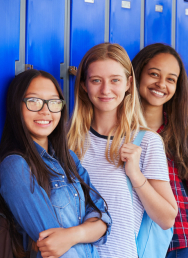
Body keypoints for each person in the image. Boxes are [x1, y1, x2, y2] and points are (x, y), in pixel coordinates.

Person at [67, 43, 178, 258]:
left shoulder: (147, 142)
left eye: (115, 80)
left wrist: (135, 175)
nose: (106, 90)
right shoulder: (67, 140)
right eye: (96, 80)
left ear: (128, 84)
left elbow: (167, 219)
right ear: (83, 85)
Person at [0, 69, 112, 258]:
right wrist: (86, 232)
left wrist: (71, 235)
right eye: (33, 101)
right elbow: (51, 245)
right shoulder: (16, 166)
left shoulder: (68, 158)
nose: (45, 111)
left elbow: (103, 218)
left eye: (53, 102)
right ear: (15, 106)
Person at [132, 43, 188, 258]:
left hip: (184, 241)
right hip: (136, 243)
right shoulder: (117, 132)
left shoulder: (181, 132)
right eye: (154, 74)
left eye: (171, 79)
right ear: (136, 75)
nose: (161, 84)